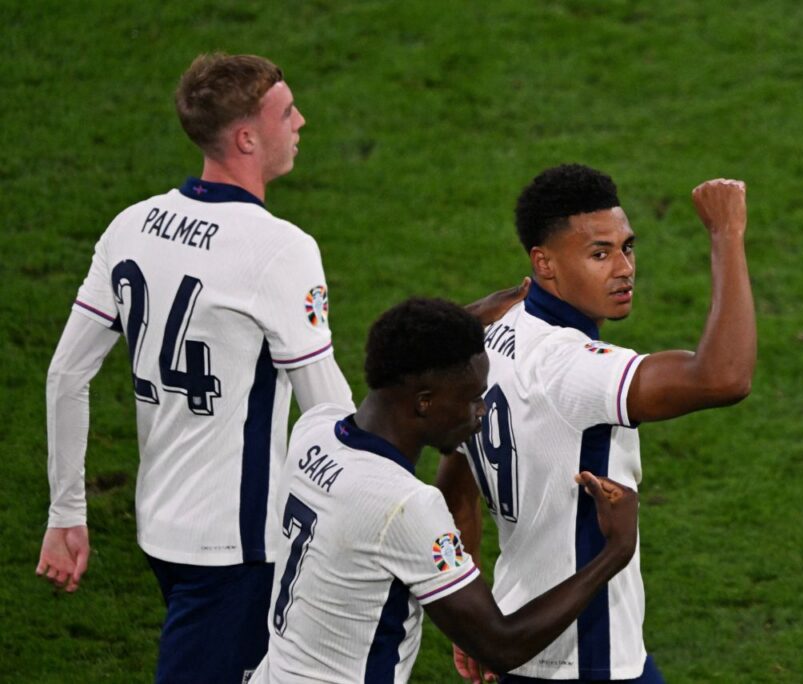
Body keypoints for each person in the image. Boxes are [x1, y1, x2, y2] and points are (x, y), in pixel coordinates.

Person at [34, 53, 524, 683]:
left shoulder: (132, 226)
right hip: (239, 545)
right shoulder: (279, 249)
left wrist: (66, 513)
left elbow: (66, 375)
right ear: (245, 137)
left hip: (159, 525)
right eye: (286, 112)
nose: (301, 121)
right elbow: (331, 404)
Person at [436, 164, 757, 682]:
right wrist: (726, 233)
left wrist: (469, 619)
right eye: (599, 254)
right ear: (544, 263)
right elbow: (724, 376)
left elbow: (455, 479)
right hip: (589, 657)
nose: (624, 268)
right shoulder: (571, 366)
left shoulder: (490, 334)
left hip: (516, 634)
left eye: (627, 247)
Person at [249, 298, 639, 683]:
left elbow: (407, 356)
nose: (482, 411)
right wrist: (614, 552)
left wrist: (464, 321)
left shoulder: (313, 430)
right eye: (472, 398)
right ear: (424, 403)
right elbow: (502, 646)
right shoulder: (404, 506)